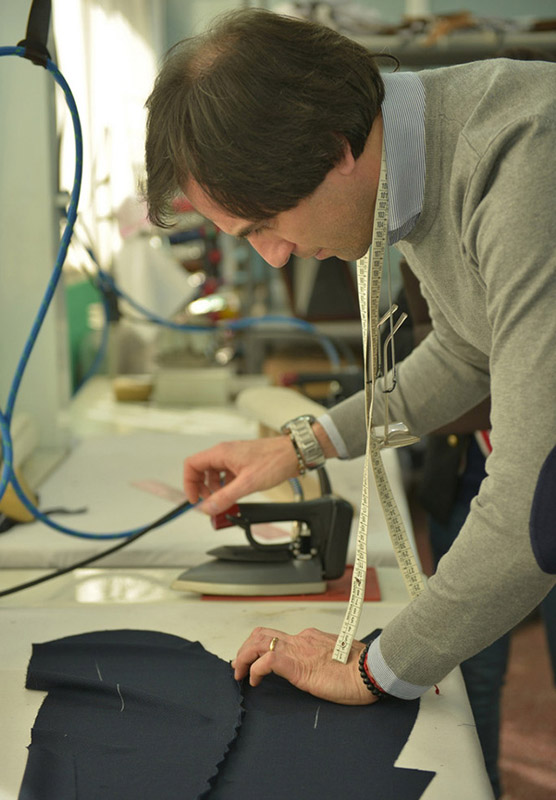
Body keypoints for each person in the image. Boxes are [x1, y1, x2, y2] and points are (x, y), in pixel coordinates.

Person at [144, 7, 556, 716]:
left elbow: (535, 499)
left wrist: (373, 667)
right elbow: (466, 349)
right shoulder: (424, 159)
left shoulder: (518, 157)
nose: (270, 254)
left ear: (336, 150)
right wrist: (303, 445)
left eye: (266, 224)